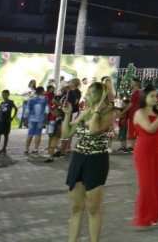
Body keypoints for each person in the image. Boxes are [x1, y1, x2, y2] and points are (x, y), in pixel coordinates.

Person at [63, 81, 117, 242]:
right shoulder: (85, 111)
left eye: (91, 93)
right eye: (88, 92)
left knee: (93, 208)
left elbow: (93, 130)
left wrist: (97, 110)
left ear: (101, 96)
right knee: (75, 207)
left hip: (96, 160)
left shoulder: (109, 112)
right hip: (78, 158)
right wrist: (67, 115)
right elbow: (66, 133)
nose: (87, 95)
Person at [131, 86, 158, 227]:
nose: (155, 99)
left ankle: (153, 217)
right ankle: (143, 218)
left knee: (155, 184)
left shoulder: (157, 112)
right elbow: (150, 128)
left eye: (156, 96)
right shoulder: (139, 112)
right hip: (143, 151)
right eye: (152, 96)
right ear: (144, 97)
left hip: (157, 150)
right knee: (146, 185)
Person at [119, 77, 142, 153]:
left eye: (132, 82)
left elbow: (131, 104)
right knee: (134, 129)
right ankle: (133, 146)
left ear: (136, 83)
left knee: (132, 130)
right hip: (136, 113)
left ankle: (132, 147)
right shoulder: (139, 91)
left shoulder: (136, 92)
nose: (131, 83)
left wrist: (123, 112)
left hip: (133, 113)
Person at [23, 86, 48, 155]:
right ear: (42, 91)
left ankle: (26, 149)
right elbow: (46, 110)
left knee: (30, 134)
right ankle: (35, 149)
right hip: (40, 119)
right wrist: (46, 119)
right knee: (38, 134)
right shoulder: (45, 100)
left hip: (31, 119)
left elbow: (27, 110)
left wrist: (25, 119)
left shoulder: (31, 99)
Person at [0, 90, 17, 156]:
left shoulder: (10, 102)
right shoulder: (2, 103)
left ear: (8, 94)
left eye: (5, 94)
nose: (3, 96)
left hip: (7, 121)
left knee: (6, 135)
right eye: (2, 94)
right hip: (1, 121)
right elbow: (0, 111)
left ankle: (4, 148)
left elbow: (16, 108)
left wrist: (12, 117)